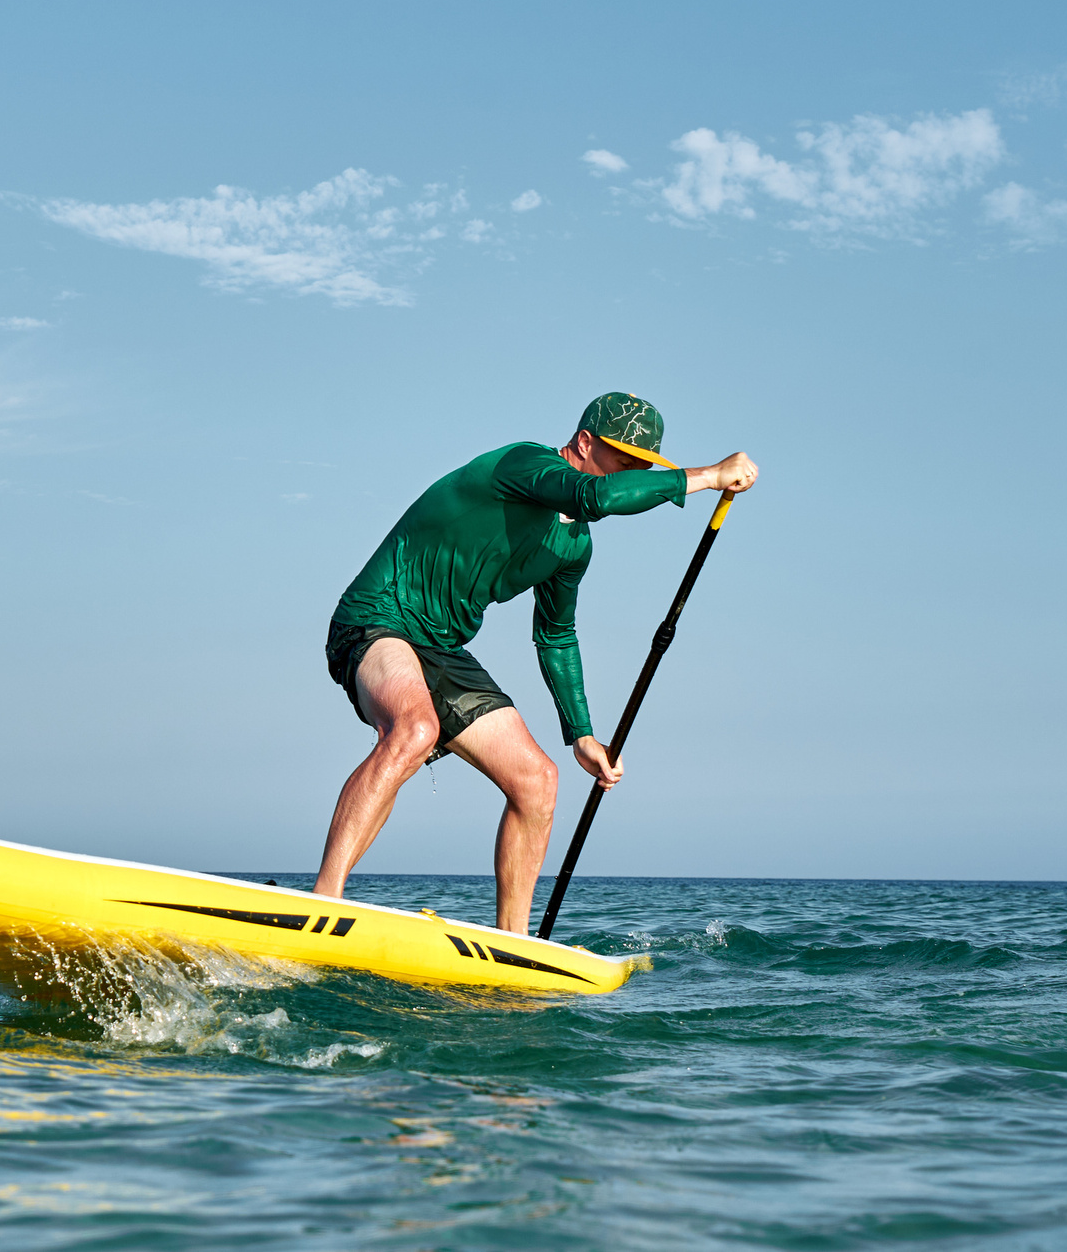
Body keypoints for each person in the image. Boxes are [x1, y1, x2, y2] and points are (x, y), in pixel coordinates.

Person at [317, 392, 757, 933]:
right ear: (584, 443)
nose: (634, 473)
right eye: (625, 460)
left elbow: (555, 634)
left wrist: (582, 734)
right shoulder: (522, 464)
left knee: (538, 779)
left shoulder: (573, 546)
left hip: (442, 649)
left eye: (644, 466)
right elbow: (593, 494)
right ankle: (324, 900)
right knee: (415, 727)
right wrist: (709, 475)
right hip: (378, 617)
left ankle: (514, 943)